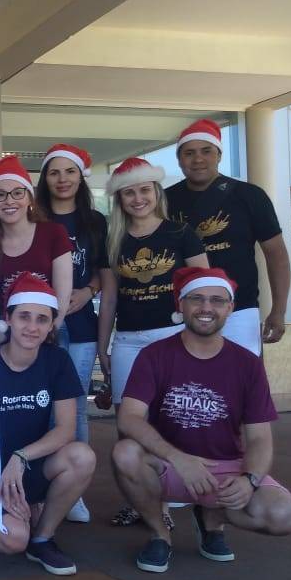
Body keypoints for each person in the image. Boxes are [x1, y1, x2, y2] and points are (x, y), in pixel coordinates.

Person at [112, 267, 291, 573]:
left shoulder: (247, 364)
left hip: (224, 470)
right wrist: (178, 458)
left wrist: (250, 480)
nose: (206, 307)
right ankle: (160, 534)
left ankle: (212, 517)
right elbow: (129, 419)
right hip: (168, 466)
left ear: (230, 308)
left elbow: (259, 438)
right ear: (180, 304)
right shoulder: (154, 355)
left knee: (284, 516)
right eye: (196, 298)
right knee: (125, 453)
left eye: (217, 300)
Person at [97, 157, 209, 529]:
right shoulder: (113, 239)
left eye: (144, 190)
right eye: (129, 193)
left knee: (172, 420)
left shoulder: (181, 233)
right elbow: (109, 299)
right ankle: (141, 502)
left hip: (172, 336)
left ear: (156, 192)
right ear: (119, 199)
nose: (138, 199)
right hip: (129, 340)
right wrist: (103, 346)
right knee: (127, 425)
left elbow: (204, 290)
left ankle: (176, 499)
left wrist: (202, 339)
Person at [0, 274, 95, 575]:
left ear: (51, 326)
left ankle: (43, 538)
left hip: (26, 466)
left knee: (82, 457)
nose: (32, 327)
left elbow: (65, 429)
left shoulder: (57, 360)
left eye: (41, 319)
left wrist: (20, 457)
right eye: (24, 317)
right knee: (13, 540)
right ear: (8, 319)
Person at [34, 143, 115, 524]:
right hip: (40, 325)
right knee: (40, 405)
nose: (62, 179)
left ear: (80, 178)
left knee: (75, 405)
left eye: (69, 172)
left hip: (81, 325)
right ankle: (41, 485)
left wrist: (89, 290)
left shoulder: (94, 221)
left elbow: (101, 270)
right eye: (54, 172)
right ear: (44, 179)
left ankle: (74, 489)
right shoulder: (34, 217)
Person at [165, 119, 290, 354]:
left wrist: (279, 310)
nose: (198, 159)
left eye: (206, 151)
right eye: (189, 153)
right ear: (179, 159)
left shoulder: (250, 195)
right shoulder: (165, 200)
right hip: (182, 311)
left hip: (239, 311)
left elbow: (277, 256)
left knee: (241, 375)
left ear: (219, 155)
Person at [0, 155, 73, 334]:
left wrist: (45, 336)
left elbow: (62, 298)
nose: (9, 201)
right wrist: (0, 339)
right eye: (0, 195)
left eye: (18, 193)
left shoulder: (54, 233)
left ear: (29, 199)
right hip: (1, 333)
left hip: (49, 329)